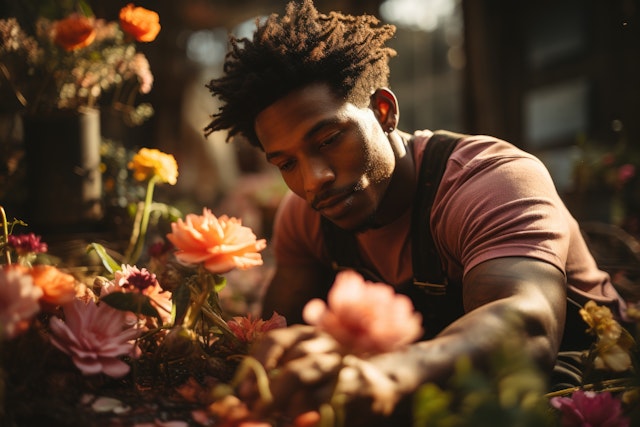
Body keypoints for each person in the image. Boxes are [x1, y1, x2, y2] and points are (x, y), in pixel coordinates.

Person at [204, 0, 628, 424]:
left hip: (585, 378)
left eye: (329, 139)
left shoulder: (492, 181)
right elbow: (280, 331)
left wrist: (391, 372)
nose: (313, 179)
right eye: (287, 164)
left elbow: (526, 328)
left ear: (384, 111)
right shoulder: (305, 218)